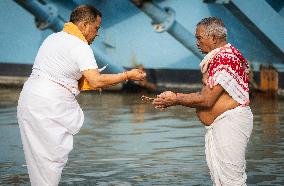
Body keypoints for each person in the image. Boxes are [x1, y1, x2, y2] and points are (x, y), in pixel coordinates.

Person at [17, 5, 146, 186]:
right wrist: (127, 75)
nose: (98, 33)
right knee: (51, 161)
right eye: (97, 28)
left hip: (28, 98)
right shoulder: (80, 46)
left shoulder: (53, 38)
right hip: (49, 103)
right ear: (85, 25)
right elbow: (96, 81)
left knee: (37, 160)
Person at [152, 17, 253, 185]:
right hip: (222, 125)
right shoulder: (221, 57)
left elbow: (206, 100)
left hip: (230, 124)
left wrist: (175, 98)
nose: (197, 42)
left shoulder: (225, 59)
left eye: (199, 38)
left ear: (213, 38)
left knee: (233, 182)